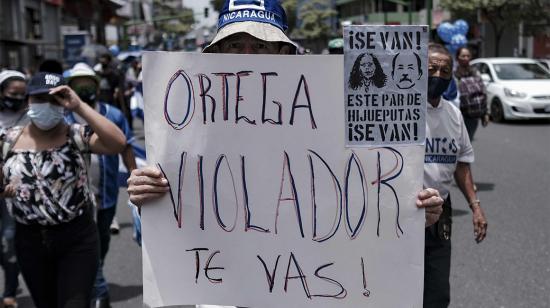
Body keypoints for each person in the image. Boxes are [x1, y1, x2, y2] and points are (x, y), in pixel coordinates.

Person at [128, 1, 444, 307]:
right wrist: (146, 200)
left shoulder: (334, 114)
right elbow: (163, 228)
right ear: (218, 53)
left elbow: (366, 193)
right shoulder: (187, 125)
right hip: (224, 290)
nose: (247, 56)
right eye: (236, 46)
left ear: (283, 52)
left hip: (311, 288)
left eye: (261, 45)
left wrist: (412, 213)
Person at [0, 72, 126, 308]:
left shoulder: (76, 134)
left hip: (76, 238)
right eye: (39, 99)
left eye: (54, 99)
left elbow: (117, 142)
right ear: (28, 101)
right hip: (29, 241)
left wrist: (79, 106)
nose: (46, 105)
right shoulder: (8, 140)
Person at [65, 63, 137, 308]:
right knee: (87, 243)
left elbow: (126, 147)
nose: (83, 88)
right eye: (78, 84)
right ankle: (99, 291)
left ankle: (93, 274)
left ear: (96, 85)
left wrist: (134, 177)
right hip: (75, 198)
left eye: (88, 83)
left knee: (103, 239)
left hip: (105, 194)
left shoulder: (113, 115)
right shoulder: (62, 118)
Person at [423, 43, 488, 308]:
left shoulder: (453, 115)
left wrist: (475, 206)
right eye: (431, 69)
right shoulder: (398, 112)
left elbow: (462, 164)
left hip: (441, 211)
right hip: (401, 210)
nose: (438, 75)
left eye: (444, 70)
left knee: (437, 292)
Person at [0, 70, 28, 308]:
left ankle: (9, 292)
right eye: (12, 94)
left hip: (13, 191)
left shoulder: (33, 116)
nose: (18, 98)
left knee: (9, 240)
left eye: (22, 94)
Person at [453, 46, 489, 141]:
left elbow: (483, 92)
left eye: (468, 56)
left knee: (468, 142)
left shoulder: (475, 72)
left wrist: (485, 113)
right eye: (463, 56)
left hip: (472, 115)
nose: (466, 58)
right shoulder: (453, 74)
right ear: (457, 58)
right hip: (456, 115)